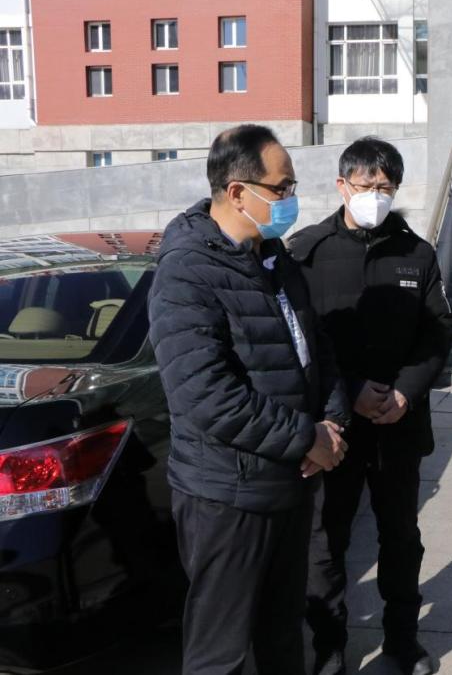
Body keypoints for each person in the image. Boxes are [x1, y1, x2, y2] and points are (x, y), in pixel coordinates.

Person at [148, 124, 349, 674]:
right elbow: (205, 394)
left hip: (289, 482)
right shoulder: (187, 270)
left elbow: (315, 347)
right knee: (222, 653)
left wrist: (333, 423)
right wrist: (305, 437)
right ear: (238, 192)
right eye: (282, 188)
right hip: (227, 494)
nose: (291, 199)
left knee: (282, 637)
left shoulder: (275, 256)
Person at [291, 137, 452, 675]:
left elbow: (437, 332)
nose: (377, 196)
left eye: (387, 187)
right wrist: (351, 390)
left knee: (401, 537)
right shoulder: (306, 252)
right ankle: (329, 649)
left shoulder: (416, 254)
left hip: (397, 424)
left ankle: (402, 642)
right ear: (343, 185)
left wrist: (406, 391)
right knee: (326, 542)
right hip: (334, 426)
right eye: (367, 186)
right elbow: (302, 342)